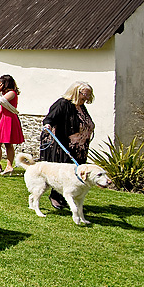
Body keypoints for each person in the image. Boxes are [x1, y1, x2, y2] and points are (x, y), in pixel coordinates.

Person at [40, 82, 96, 210]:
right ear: (76, 92)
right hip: (66, 146)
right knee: (63, 173)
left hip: (80, 148)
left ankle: (70, 197)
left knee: (76, 174)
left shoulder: (81, 106)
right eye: (85, 95)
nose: (86, 98)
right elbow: (50, 118)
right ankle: (56, 197)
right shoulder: (63, 103)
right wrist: (48, 125)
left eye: (89, 95)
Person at [0, 74, 24, 176]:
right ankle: (7, 166)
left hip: (8, 119)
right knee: (3, 143)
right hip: (4, 117)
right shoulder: (9, 93)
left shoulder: (11, 93)